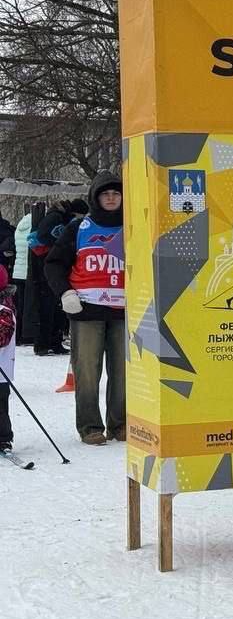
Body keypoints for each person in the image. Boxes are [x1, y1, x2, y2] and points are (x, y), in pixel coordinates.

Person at [45, 173, 125, 445]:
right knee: (88, 370)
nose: (111, 198)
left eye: (116, 193)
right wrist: (65, 292)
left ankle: (121, 423)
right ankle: (90, 426)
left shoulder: (135, 225)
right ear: (96, 197)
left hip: (124, 312)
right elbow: (54, 263)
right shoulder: (80, 227)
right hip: (87, 310)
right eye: (106, 194)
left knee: (123, 371)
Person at [30, 198, 87, 356]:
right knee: (47, 305)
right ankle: (42, 343)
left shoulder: (60, 217)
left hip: (51, 264)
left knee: (56, 306)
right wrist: (60, 242)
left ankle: (54, 342)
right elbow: (43, 236)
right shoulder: (56, 217)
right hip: (46, 265)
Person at [0, 264, 15, 454]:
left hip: (1, 372)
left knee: (0, 408)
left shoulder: (4, 310)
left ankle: (3, 439)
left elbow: (2, 338)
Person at [11, 211, 31, 344]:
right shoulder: (32, 229)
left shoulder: (19, 228)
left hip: (17, 272)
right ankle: (25, 335)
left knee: (18, 306)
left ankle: (16, 335)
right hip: (27, 272)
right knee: (27, 306)